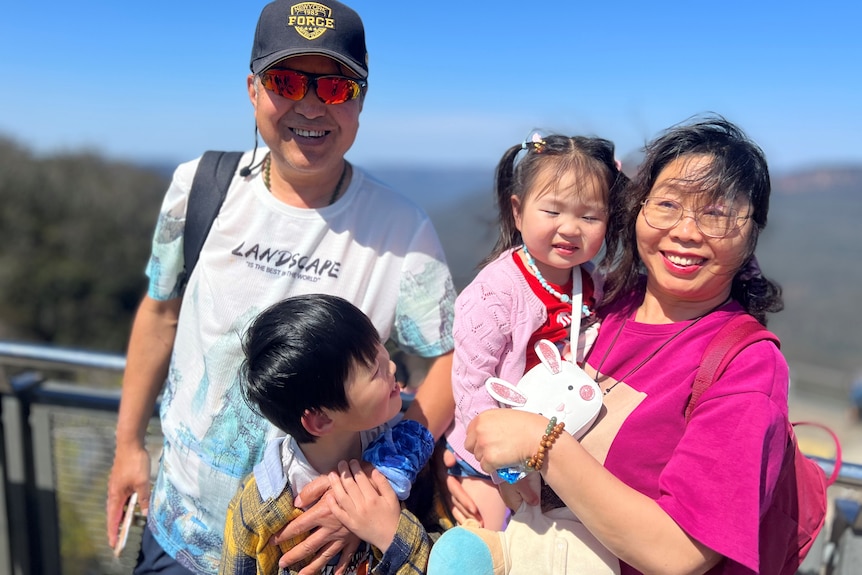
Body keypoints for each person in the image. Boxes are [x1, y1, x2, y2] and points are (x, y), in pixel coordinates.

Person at [105, 2, 457, 574]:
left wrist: (388, 474)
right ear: (252, 90)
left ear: (361, 102)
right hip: (181, 530)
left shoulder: (401, 229)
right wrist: (128, 447)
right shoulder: (199, 188)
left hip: (317, 550)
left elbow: (449, 360)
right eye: (287, 81)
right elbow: (161, 314)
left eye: (337, 87)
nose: (311, 104)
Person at [430, 116, 789, 574]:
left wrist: (541, 446)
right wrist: (461, 453)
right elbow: (486, 367)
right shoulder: (603, 299)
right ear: (637, 210)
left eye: (717, 214)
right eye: (668, 205)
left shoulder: (746, 367)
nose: (686, 231)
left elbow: (679, 554)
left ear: (752, 234)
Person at [443, 133, 627, 529]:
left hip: (561, 446)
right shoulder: (495, 292)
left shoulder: (593, 284)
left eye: (590, 216)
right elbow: (471, 386)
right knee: (491, 540)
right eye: (553, 211)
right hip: (492, 457)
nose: (571, 228)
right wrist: (502, 471)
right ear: (517, 211)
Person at [220, 294, 434, 574]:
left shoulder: (406, 454)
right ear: (320, 420)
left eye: (384, 352)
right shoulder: (258, 511)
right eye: (374, 370)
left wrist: (392, 534)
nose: (392, 367)